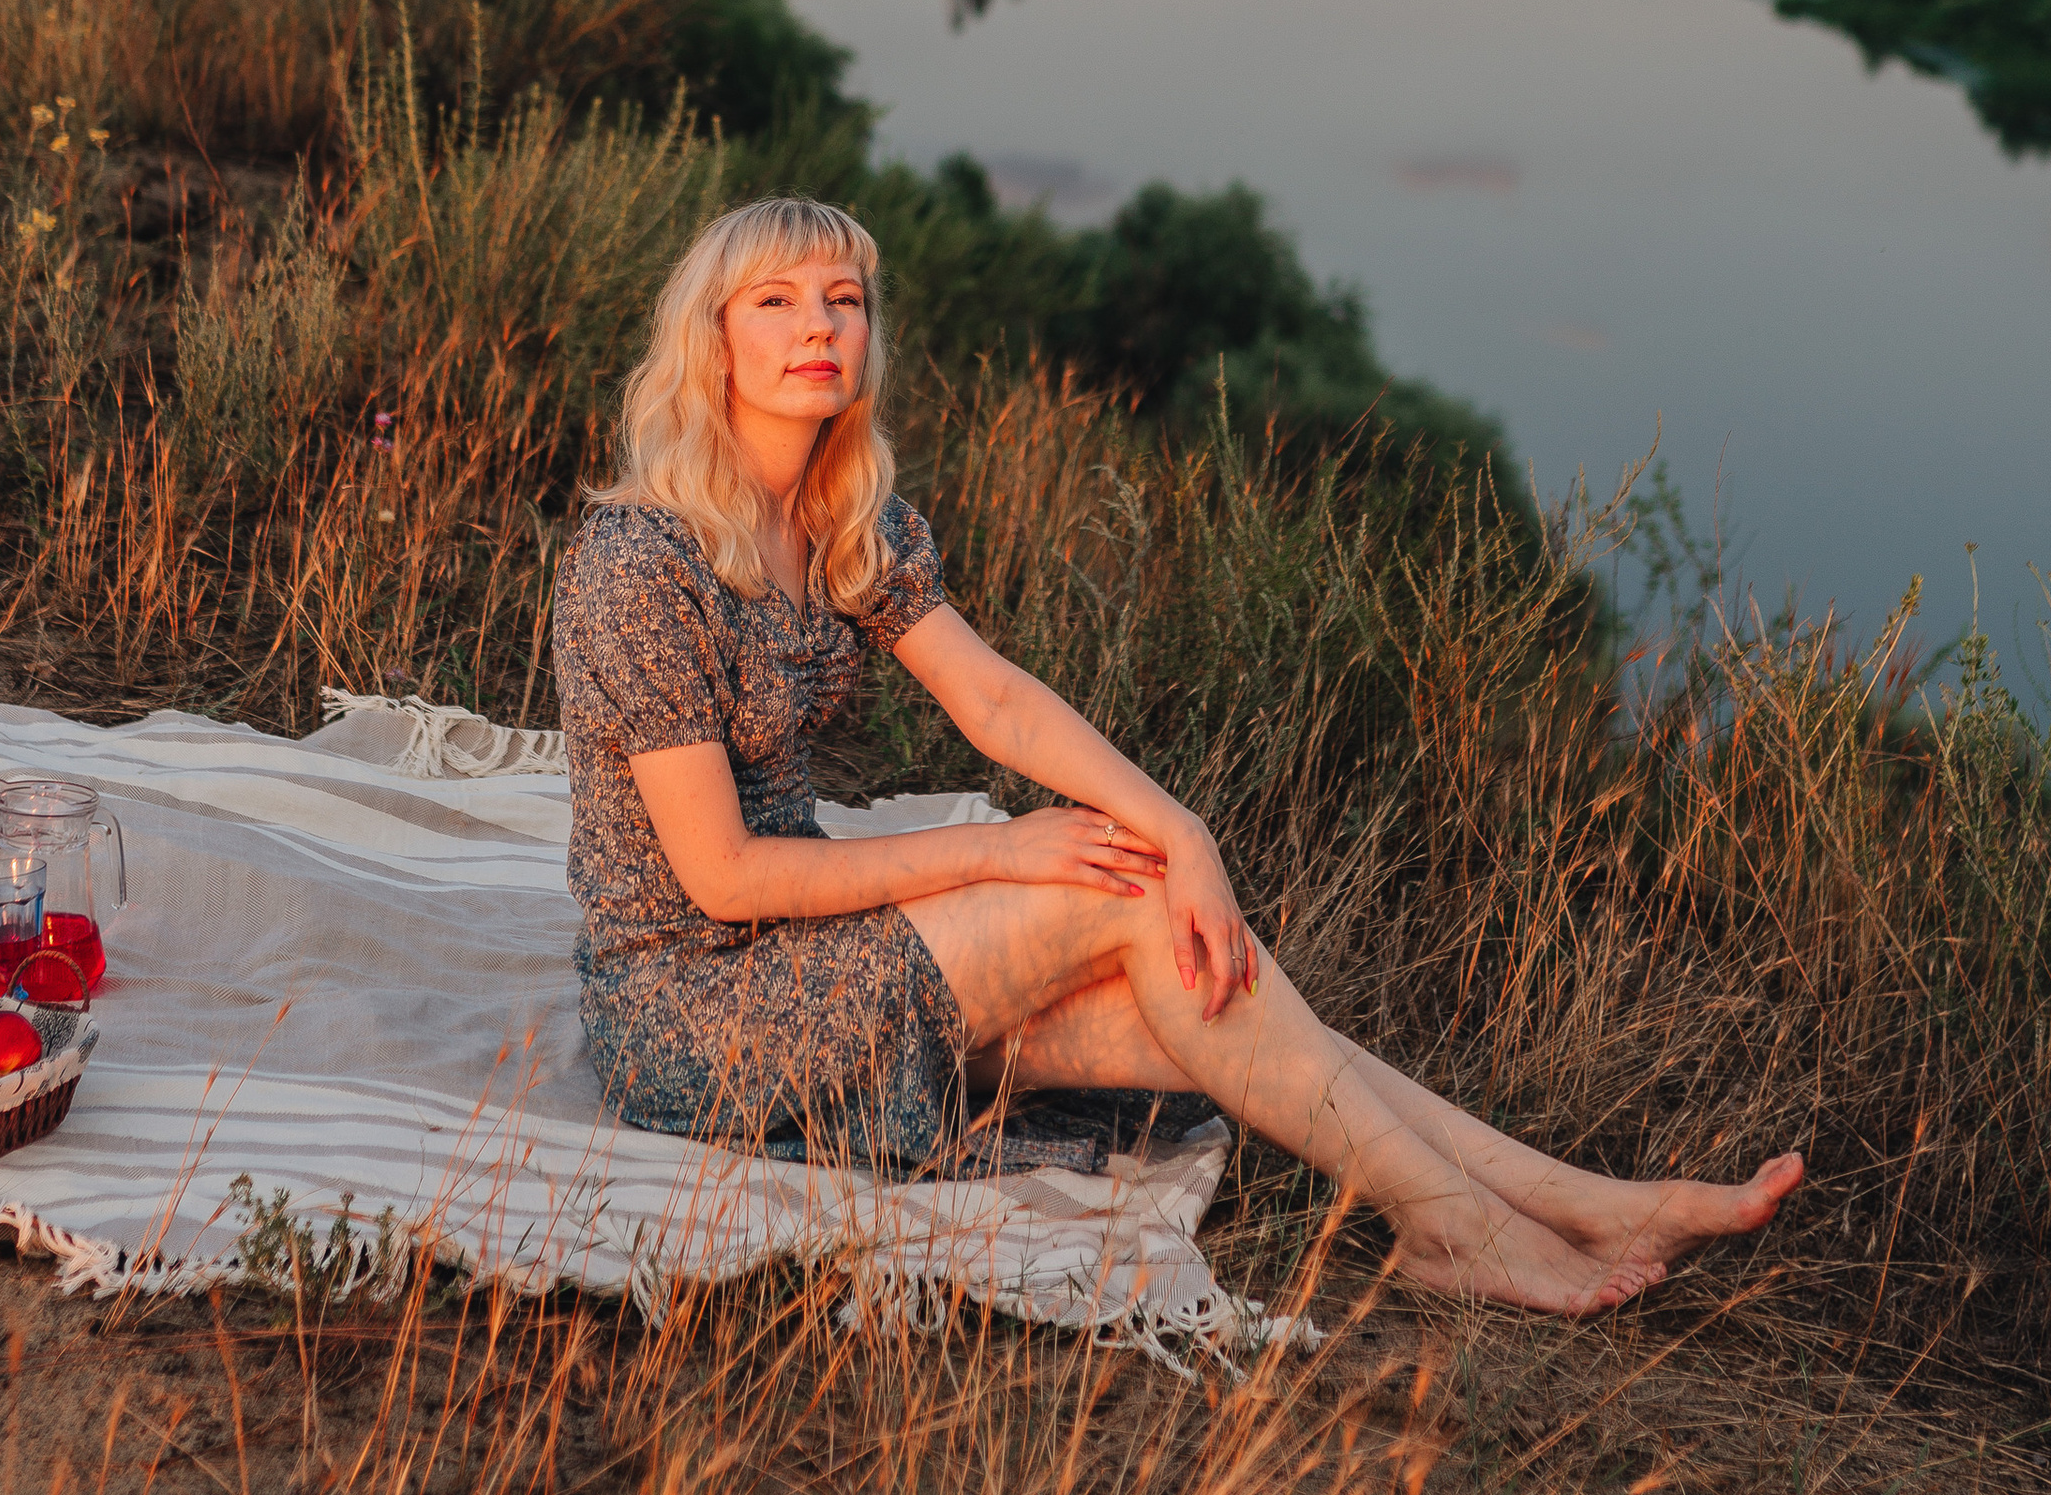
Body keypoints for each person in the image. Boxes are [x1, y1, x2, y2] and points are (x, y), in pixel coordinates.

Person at [551, 197, 1803, 1315]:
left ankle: (1579, 1205)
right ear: (711, 340)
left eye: (844, 298)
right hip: (694, 1012)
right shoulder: (640, 565)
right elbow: (723, 877)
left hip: (812, 962)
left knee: (1215, 1003)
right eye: (774, 302)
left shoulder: (840, 522)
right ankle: (1457, 1229)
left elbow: (994, 699)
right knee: (1125, 904)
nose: (819, 325)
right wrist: (996, 850)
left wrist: (1181, 829)